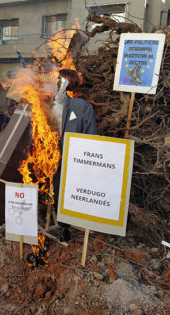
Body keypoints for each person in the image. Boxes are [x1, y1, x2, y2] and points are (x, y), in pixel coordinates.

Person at [53, 68, 97, 242]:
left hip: (70, 160)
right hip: (46, 158)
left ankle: (64, 226)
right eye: (56, 79)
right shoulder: (43, 104)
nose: (57, 83)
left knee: (65, 192)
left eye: (61, 80)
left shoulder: (82, 107)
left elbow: (91, 136)